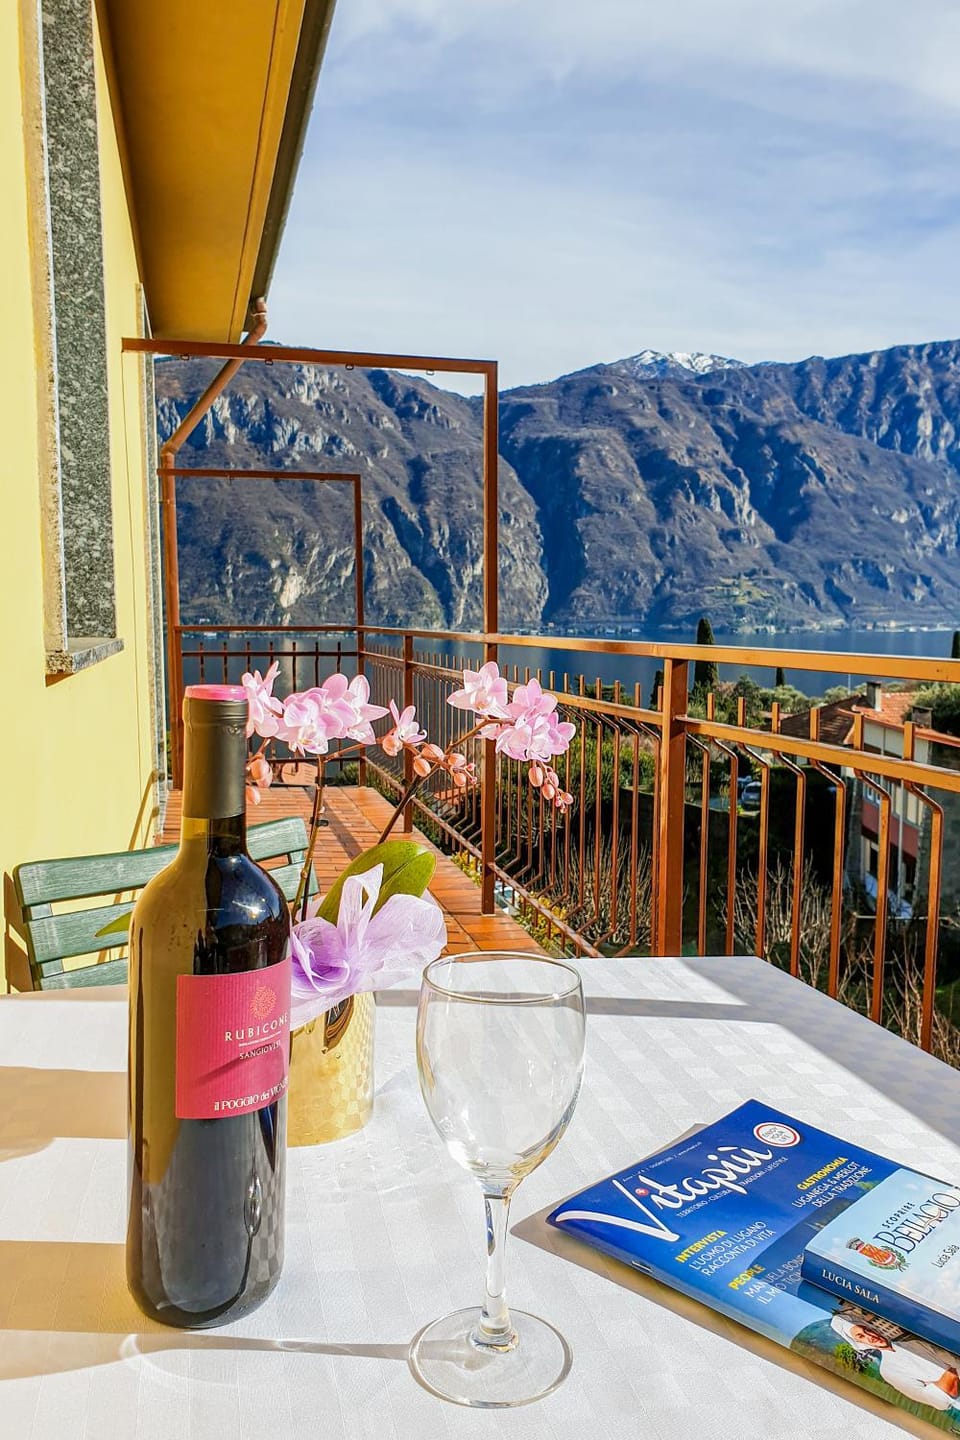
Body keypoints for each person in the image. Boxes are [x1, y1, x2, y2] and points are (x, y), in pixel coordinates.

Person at [830, 1315, 960, 1413]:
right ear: (859, 1343)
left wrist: (943, 1379)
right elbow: (939, 1400)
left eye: (866, 1330)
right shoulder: (888, 1370)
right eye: (861, 1336)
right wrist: (951, 1373)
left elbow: (955, 1361)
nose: (869, 1336)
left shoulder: (914, 1344)